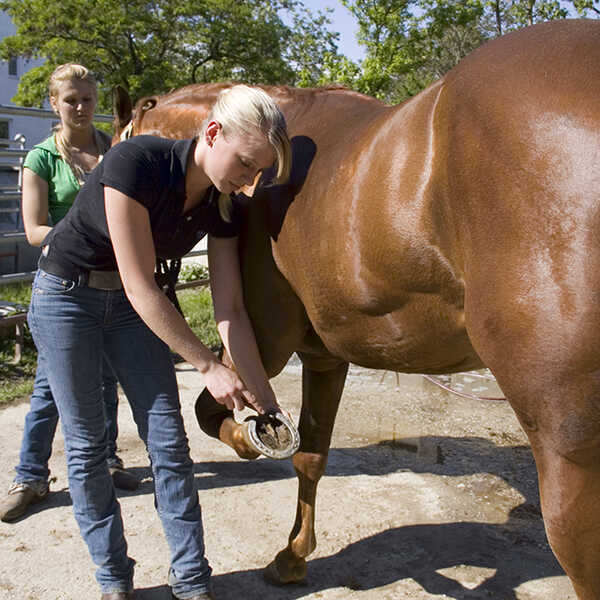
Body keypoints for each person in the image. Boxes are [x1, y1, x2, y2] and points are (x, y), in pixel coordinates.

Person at [26, 83, 291, 600]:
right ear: (212, 133)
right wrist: (209, 369)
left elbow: (229, 310)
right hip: (67, 296)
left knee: (168, 443)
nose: (249, 182)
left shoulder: (223, 205)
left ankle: (191, 581)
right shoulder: (134, 162)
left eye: (258, 172)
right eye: (245, 164)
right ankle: (114, 580)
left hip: (132, 308)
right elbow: (140, 283)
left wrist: (266, 399)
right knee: (86, 446)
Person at [0, 64, 138, 525]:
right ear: (54, 103)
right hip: (64, 288)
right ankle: (30, 476)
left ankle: (108, 459)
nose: (80, 107)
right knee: (47, 389)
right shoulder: (41, 158)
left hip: (113, 284)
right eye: (71, 100)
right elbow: (35, 230)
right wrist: (87, 235)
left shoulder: (114, 150)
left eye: (87, 99)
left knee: (106, 379)